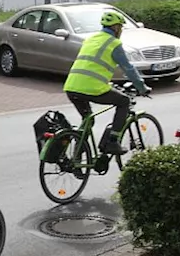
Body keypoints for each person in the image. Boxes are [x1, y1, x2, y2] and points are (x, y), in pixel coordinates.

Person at [62, 9, 151, 155]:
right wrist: (141, 87)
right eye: (121, 27)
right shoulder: (114, 43)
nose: (121, 30)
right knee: (124, 102)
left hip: (71, 87)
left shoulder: (91, 39)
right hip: (92, 88)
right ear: (116, 28)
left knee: (87, 119)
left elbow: (90, 66)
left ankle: (77, 156)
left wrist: (108, 84)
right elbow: (128, 69)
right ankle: (112, 142)